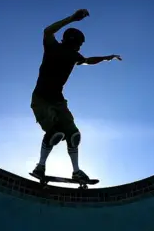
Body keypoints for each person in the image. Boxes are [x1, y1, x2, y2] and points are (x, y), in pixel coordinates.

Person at [31, 9, 122, 181]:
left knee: (73, 135)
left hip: (58, 101)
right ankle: (40, 167)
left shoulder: (74, 55)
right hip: (41, 99)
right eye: (79, 44)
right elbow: (47, 31)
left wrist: (105, 58)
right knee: (55, 133)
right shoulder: (52, 46)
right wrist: (72, 18)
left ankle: (76, 171)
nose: (80, 47)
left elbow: (88, 60)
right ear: (73, 41)